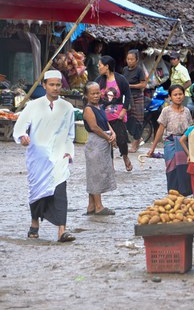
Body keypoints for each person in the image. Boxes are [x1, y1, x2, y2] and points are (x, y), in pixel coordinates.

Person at [13, 70, 76, 242]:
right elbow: (19, 128)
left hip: (59, 157)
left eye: (58, 85)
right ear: (44, 85)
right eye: (52, 85)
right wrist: (22, 137)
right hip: (37, 159)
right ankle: (34, 224)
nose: (55, 88)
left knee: (60, 192)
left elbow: (71, 135)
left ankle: (62, 231)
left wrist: (69, 153)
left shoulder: (67, 108)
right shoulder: (33, 106)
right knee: (37, 192)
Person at [147, 85, 193, 196]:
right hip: (170, 143)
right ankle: (173, 195)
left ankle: (184, 195)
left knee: (185, 170)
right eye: (175, 95)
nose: (178, 97)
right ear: (170, 97)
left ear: (184, 95)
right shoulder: (166, 111)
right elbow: (160, 130)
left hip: (184, 144)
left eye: (180, 94)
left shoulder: (187, 111)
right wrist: (152, 148)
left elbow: (191, 131)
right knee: (171, 170)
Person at [82, 82, 117, 216]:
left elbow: (106, 123)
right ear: (87, 95)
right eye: (93, 93)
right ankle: (98, 206)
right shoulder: (88, 109)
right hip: (95, 143)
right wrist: (108, 138)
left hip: (103, 141)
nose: (96, 96)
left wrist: (113, 133)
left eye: (98, 93)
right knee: (95, 174)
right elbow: (95, 127)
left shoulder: (99, 107)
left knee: (98, 172)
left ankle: (91, 206)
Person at [95, 55, 133, 172]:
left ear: (107, 66)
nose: (98, 67)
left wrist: (124, 110)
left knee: (121, 138)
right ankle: (110, 164)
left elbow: (128, 96)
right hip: (103, 115)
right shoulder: (99, 81)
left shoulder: (120, 79)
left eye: (100, 65)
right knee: (107, 140)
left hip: (117, 114)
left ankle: (125, 156)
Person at [123, 49, 147, 153]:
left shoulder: (139, 70)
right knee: (128, 119)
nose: (130, 61)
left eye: (132, 59)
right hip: (128, 97)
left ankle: (135, 143)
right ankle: (137, 138)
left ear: (136, 60)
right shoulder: (124, 70)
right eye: (128, 59)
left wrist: (130, 86)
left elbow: (143, 84)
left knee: (138, 120)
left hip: (137, 97)